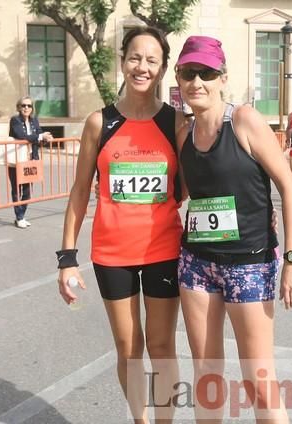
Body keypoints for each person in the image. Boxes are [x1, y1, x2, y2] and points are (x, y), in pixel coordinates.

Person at [56, 27, 186, 423]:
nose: (141, 67)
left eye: (151, 60)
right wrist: (66, 257)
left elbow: (191, 186)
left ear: (162, 69)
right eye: (134, 57)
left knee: (162, 347)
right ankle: (140, 420)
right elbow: (80, 191)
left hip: (164, 249)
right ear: (123, 61)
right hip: (112, 254)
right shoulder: (100, 123)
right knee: (129, 348)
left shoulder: (176, 122)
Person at [175, 35, 292, 423]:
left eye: (206, 73)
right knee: (206, 375)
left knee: (258, 381)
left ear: (222, 78)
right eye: (188, 73)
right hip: (196, 263)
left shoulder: (244, 120)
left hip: (249, 264)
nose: (197, 81)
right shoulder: (182, 133)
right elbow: (183, 193)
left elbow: (287, 186)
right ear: (178, 79)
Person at [8, 96, 53, 228]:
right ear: (18, 107)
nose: (26, 108)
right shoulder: (15, 120)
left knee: (27, 190)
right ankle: (19, 216)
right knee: (17, 189)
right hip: (17, 159)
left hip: (30, 159)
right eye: (23, 105)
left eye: (29, 106)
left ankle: (21, 216)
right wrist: (40, 136)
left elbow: (38, 134)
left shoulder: (34, 120)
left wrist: (46, 138)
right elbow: (21, 135)